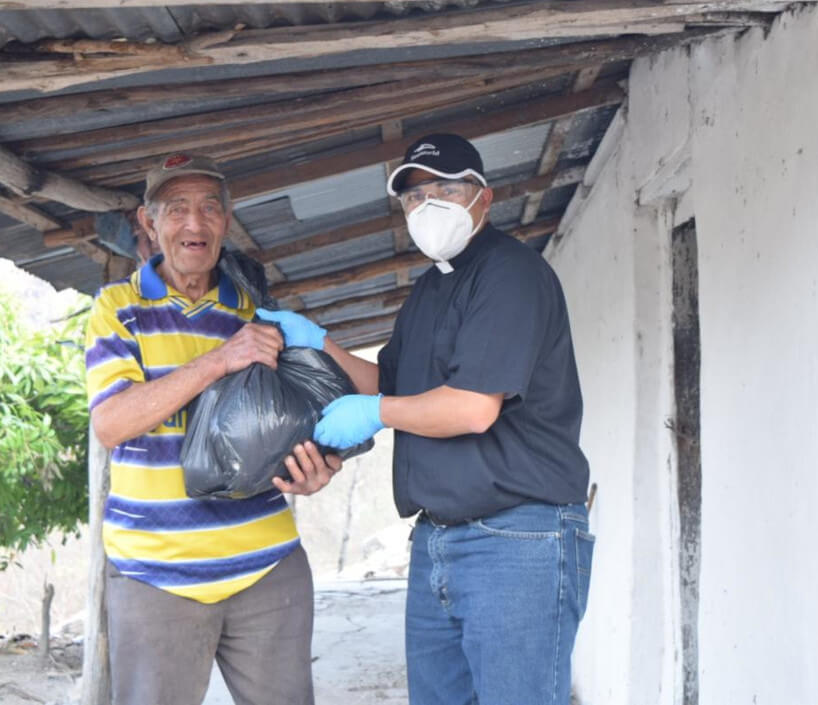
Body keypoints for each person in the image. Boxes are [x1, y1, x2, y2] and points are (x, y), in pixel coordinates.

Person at [261, 133, 594, 705]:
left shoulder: (510, 273)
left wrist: (374, 414)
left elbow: (472, 408)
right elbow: (387, 384)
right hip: (438, 538)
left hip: (516, 539)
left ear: (484, 197)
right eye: (415, 196)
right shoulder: (428, 291)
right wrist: (320, 344)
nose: (428, 205)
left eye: (446, 190)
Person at [83, 152, 341, 705]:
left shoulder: (258, 312)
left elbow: (297, 419)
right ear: (149, 223)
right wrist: (219, 360)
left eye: (208, 208)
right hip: (156, 575)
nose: (194, 223)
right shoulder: (118, 308)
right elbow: (111, 423)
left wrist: (315, 467)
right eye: (176, 209)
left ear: (226, 220)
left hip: (267, 569)